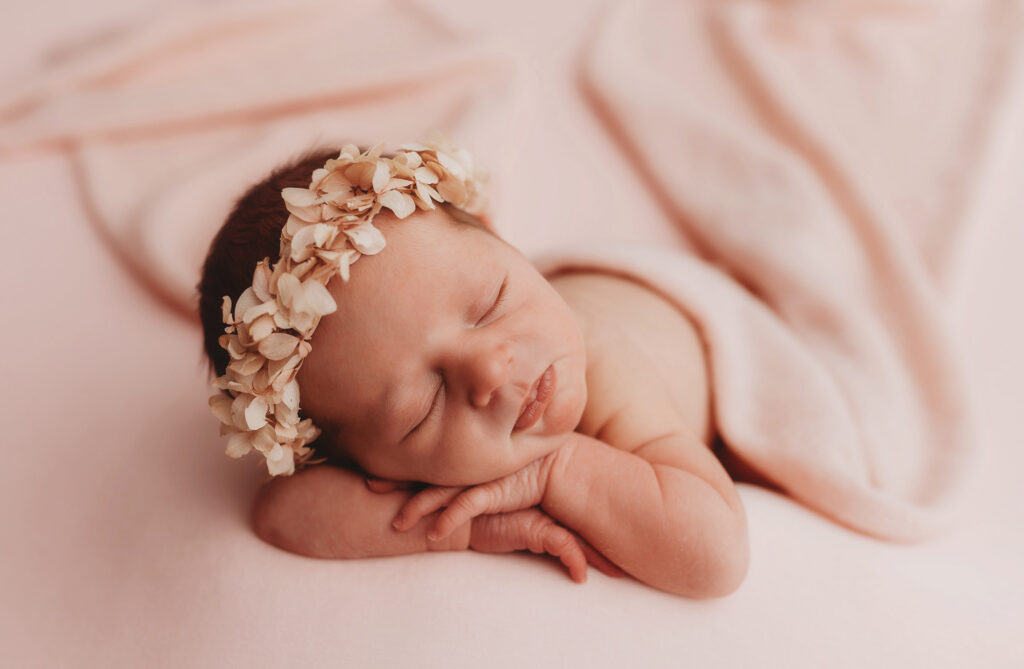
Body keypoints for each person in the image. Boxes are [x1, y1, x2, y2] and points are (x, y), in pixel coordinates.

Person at [198, 138, 751, 598]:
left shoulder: (603, 359)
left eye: (491, 303)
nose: (488, 369)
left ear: (500, 236)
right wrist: (465, 528)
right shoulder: (394, 420)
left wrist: (550, 473)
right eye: (423, 408)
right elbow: (282, 514)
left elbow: (715, 555)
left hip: (677, 309)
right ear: (369, 465)